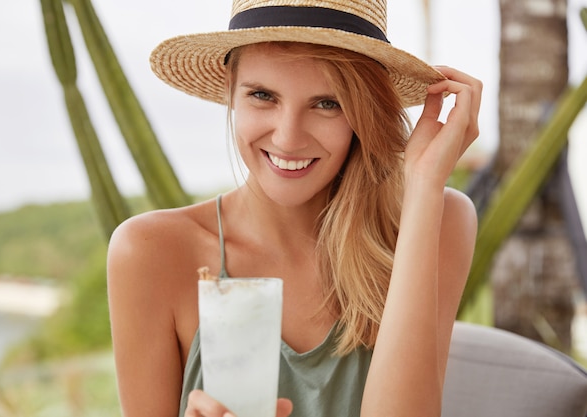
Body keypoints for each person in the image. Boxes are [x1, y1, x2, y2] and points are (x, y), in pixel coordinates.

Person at [107, 0, 482, 416]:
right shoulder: (151, 251)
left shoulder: (436, 219)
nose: (287, 139)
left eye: (328, 103)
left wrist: (425, 184)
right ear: (231, 90)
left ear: (363, 112)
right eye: (263, 95)